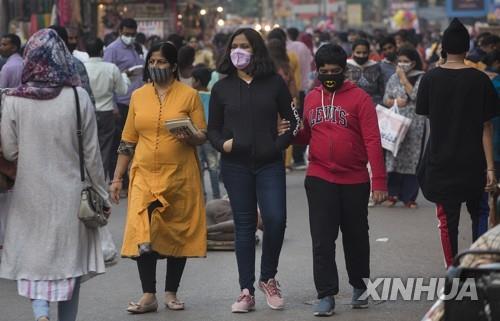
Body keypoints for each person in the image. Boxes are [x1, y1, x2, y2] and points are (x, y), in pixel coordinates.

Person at [0, 28, 110, 321]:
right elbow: (92, 155)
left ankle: (40, 314)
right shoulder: (78, 97)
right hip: (70, 196)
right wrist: (103, 193)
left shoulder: (13, 100)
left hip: (29, 195)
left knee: (35, 261)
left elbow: (9, 152)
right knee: (68, 264)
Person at [109, 42, 207, 314]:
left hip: (179, 174)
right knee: (144, 231)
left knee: (176, 230)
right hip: (142, 175)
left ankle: (171, 292)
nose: (156, 67)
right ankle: (148, 294)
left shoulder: (189, 96)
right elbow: (128, 140)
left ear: (174, 66)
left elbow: (202, 134)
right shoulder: (138, 96)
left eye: (162, 62)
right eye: (152, 61)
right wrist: (117, 178)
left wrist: (191, 136)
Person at [207, 28, 299, 313]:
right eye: (234, 45)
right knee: (244, 227)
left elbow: (293, 121)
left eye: (244, 46)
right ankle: (245, 291)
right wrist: (224, 144)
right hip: (236, 166)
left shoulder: (274, 83)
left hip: (269, 164)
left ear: (256, 49)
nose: (238, 50)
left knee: (275, 219)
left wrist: (278, 145)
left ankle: (268, 278)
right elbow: (213, 129)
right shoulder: (221, 87)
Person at [294, 43, 387, 316]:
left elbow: (372, 139)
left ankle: (359, 286)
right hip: (320, 176)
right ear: (318, 71)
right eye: (324, 71)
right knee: (322, 239)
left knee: (356, 236)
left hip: (355, 179)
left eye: (335, 71)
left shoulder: (360, 99)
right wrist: (293, 131)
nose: (330, 76)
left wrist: (379, 180)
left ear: (344, 71)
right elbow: (305, 136)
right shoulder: (311, 98)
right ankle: (326, 294)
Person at [416, 18, 498, 268]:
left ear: (443, 47)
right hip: (474, 162)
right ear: (467, 47)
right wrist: (490, 169)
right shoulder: (481, 79)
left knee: (447, 221)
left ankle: (453, 271)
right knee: (480, 213)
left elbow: (429, 119)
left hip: (441, 161)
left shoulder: (430, 80)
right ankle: (479, 266)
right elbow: (487, 127)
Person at [103, 18, 144, 198]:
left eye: (132, 34)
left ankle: (131, 180)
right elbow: (108, 77)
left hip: (136, 101)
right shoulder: (112, 49)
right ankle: (119, 181)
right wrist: (113, 105)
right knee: (121, 145)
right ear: (120, 31)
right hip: (121, 102)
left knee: (135, 145)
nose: (130, 37)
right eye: (127, 34)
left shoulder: (136, 48)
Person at [382, 46, 426, 208]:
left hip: (415, 125)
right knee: (393, 158)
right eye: (399, 61)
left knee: (412, 161)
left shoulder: (421, 78)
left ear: (413, 63)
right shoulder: (393, 78)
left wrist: (404, 78)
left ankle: (409, 197)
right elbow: (386, 99)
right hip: (395, 124)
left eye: (405, 61)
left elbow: (416, 96)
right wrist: (394, 102)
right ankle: (392, 193)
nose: (401, 64)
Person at [84, 38, 130, 181]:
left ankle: (88, 181)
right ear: (102, 51)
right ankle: (100, 181)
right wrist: (125, 77)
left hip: (87, 113)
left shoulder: (82, 67)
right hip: (106, 113)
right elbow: (122, 91)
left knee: (88, 147)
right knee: (104, 149)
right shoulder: (111, 68)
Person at [192, 65, 221, 200]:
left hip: (197, 134)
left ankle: (202, 195)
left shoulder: (193, 96)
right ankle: (216, 195)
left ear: (197, 81)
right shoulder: (213, 94)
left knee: (199, 167)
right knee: (213, 166)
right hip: (211, 135)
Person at [49, 25, 95, 106]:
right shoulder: (75, 63)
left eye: (76, 38)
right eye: (70, 38)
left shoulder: (77, 63)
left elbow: (86, 94)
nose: (74, 42)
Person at [345, 38, 385, 104]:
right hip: (351, 102)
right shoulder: (346, 66)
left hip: (373, 103)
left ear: (369, 52)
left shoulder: (375, 66)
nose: (361, 56)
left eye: (364, 53)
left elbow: (381, 88)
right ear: (353, 52)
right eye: (358, 52)